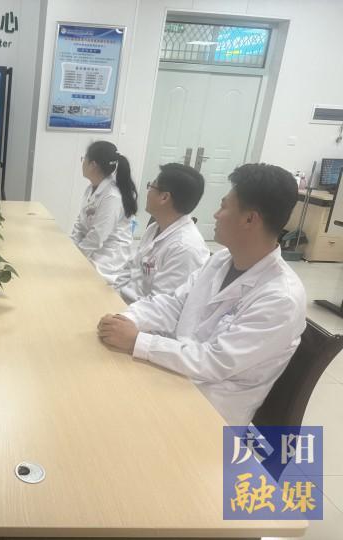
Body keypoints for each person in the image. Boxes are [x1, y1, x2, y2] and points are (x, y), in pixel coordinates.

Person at [97, 163, 306, 426]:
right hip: (177, 378)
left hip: (209, 412)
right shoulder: (221, 260)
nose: (216, 215)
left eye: (224, 207)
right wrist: (127, 319)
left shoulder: (281, 298)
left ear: (249, 219)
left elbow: (214, 361)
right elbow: (174, 304)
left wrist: (139, 341)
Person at [114, 163, 209, 304]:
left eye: (151, 187)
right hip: (124, 302)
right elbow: (130, 268)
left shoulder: (185, 248)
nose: (148, 193)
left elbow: (160, 305)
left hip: (141, 314)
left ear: (164, 197)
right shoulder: (155, 227)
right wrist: (113, 294)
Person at [71, 141, 138, 283]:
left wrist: (74, 257)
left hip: (108, 259)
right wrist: (70, 247)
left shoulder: (112, 196)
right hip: (93, 250)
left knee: (71, 278)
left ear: (93, 165)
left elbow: (97, 236)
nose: (82, 163)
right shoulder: (91, 189)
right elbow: (80, 224)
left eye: (84, 159)